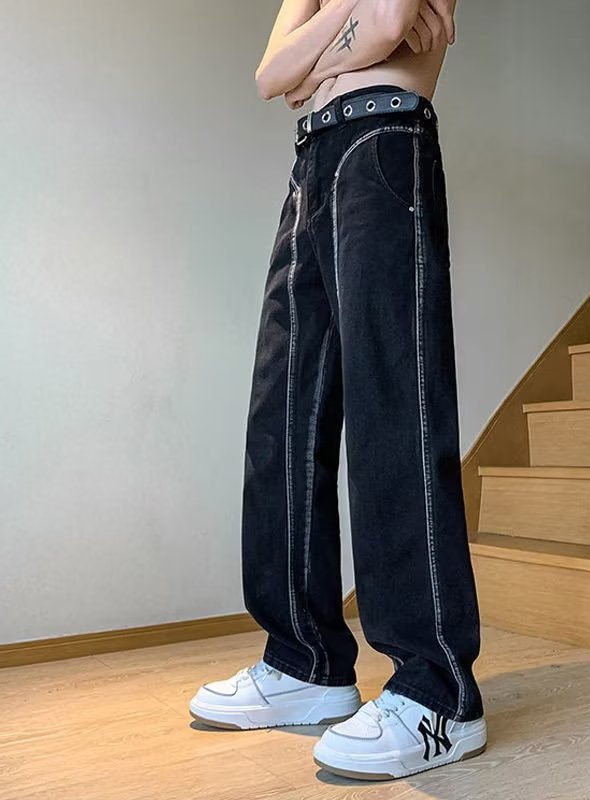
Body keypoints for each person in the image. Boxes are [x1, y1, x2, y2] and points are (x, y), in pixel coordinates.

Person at [189, 0, 486, 781]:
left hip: (385, 140)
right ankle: (305, 661)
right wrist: (349, 34)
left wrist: (318, 53)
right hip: (311, 163)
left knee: (395, 411)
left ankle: (438, 693)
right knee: (281, 416)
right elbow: (271, 75)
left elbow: (383, 27)